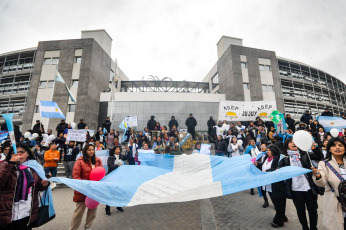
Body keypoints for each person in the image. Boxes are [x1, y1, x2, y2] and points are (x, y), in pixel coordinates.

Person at [0, 143, 50, 230]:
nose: (18, 155)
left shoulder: (35, 168)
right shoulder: (5, 166)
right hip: (8, 214)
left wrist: (44, 185)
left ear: (27, 154)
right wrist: (10, 163)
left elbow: (38, 188)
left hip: (26, 213)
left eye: (21, 152)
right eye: (14, 153)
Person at [279, 138, 324, 230]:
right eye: (291, 142)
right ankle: (305, 227)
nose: (294, 143)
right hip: (295, 190)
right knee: (300, 211)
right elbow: (279, 169)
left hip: (309, 188)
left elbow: (319, 157)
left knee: (313, 210)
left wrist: (314, 148)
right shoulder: (284, 158)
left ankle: (313, 227)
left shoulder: (305, 154)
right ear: (287, 145)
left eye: (295, 142)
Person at [312, 137, 345, 230]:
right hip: (335, 200)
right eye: (334, 146)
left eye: (340, 145)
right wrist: (318, 176)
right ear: (329, 149)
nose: (337, 148)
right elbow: (322, 182)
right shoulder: (324, 163)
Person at [69, 144, 102, 230]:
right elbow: (75, 176)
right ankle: (73, 228)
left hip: (94, 191)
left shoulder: (98, 161)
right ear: (85, 151)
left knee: (93, 212)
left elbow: (101, 175)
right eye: (89, 150)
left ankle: (88, 227)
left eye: (93, 150)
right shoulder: (79, 161)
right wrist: (86, 185)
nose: (91, 152)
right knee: (79, 212)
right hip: (82, 191)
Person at [255, 145, 288, 228]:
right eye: (268, 150)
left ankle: (279, 220)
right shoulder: (266, 157)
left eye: (269, 150)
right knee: (276, 202)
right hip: (268, 185)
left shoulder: (278, 158)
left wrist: (266, 172)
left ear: (274, 151)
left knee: (278, 202)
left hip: (276, 185)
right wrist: (257, 165)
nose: (267, 151)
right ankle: (282, 216)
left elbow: (276, 169)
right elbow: (263, 166)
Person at [105, 146, 125, 216]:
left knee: (119, 192)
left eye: (119, 149)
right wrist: (117, 165)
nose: (118, 150)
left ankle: (119, 207)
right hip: (112, 177)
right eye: (116, 149)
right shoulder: (110, 158)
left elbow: (129, 157)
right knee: (110, 193)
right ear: (114, 151)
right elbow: (110, 167)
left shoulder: (121, 157)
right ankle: (107, 208)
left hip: (119, 177)